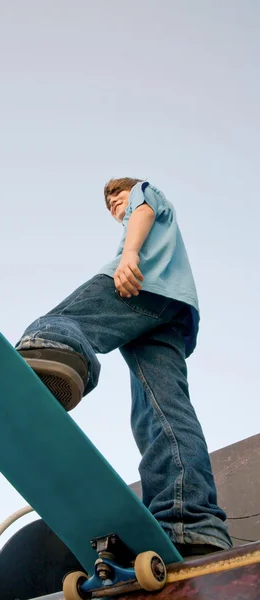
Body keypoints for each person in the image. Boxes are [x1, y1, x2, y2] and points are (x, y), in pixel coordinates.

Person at [16, 177, 232, 557]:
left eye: (117, 198)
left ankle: (60, 355)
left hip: (141, 285)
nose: (116, 205)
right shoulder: (167, 240)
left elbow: (142, 210)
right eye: (111, 205)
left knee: (59, 326)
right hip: (171, 312)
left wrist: (129, 255)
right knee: (163, 411)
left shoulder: (145, 195)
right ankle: (190, 520)